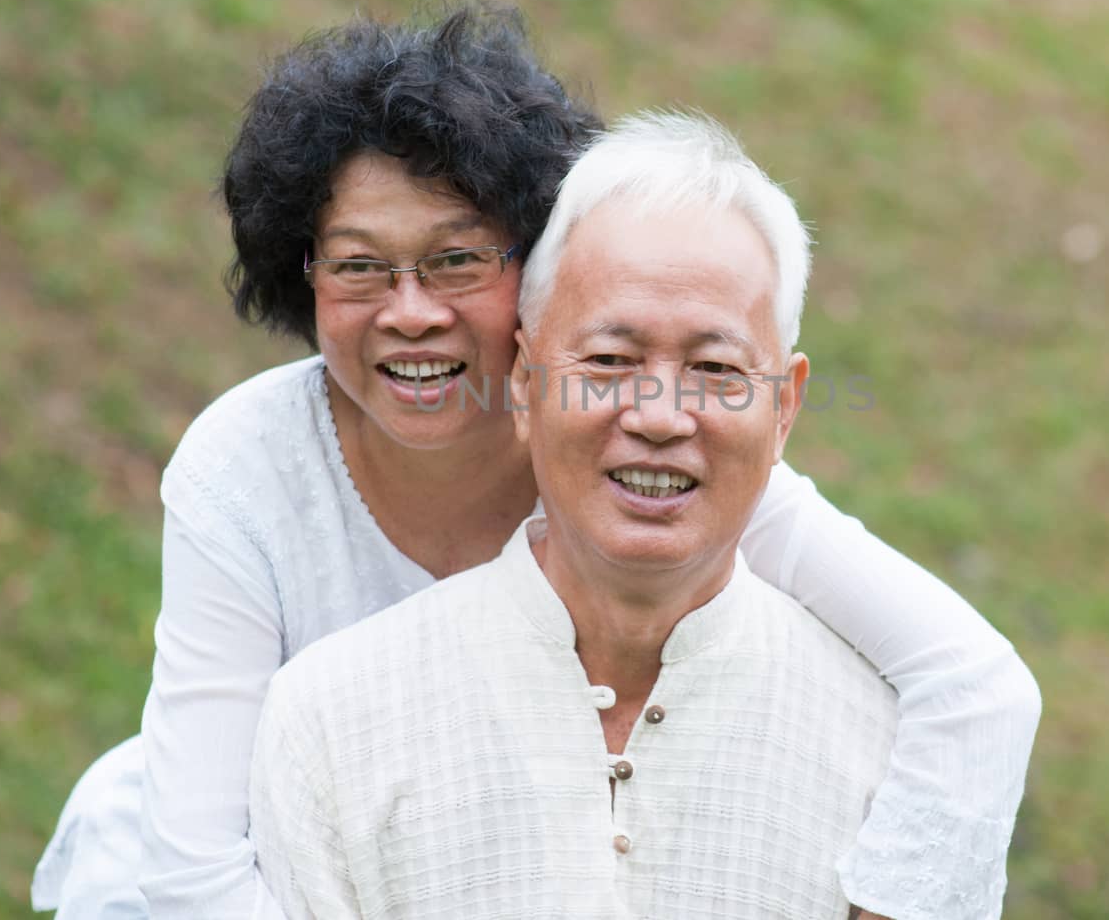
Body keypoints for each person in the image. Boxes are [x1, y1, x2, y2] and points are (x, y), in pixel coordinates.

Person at [32, 0, 1041, 920]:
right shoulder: (243, 468)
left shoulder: (640, 455)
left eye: (458, 259)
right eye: (359, 265)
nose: (411, 311)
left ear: (537, 277)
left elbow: (974, 688)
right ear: (301, 274)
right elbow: (195, 866)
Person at [248, 110, 901, 918]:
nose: (660, 415)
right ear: (524, 380)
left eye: (715, 367)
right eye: (609, 360)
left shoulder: (888, 744)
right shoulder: (334, 720)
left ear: (785, 407)